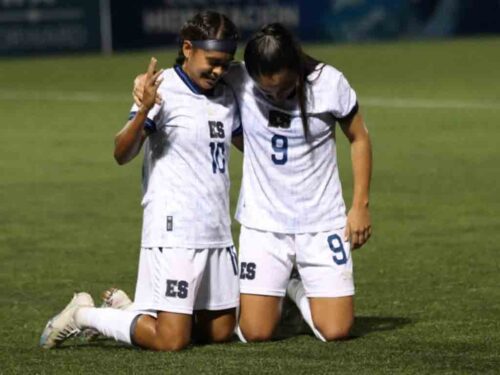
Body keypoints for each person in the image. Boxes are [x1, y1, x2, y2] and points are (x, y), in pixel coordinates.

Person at [134, 22, 373, 343]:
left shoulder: (328, 83)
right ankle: (285, 284)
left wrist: (360, 205)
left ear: (296, 67)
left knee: (336, 331)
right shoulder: (237, 77)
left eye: (285, 88)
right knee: (254, 333)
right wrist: (143, 82)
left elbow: (359, 138)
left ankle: (294, 286)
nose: (275, 95)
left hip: (322, 220)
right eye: (266, 91)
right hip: (264, 224)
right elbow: (190, 67)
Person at [39, 11, 242, 352]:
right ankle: (84, 314)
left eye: (226, 63)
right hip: (174, 229)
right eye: (213, 62)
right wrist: (145, 108)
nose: (219, 70)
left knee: (221, 332)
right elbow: (122, 151)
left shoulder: (226, 92)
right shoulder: (162, 89)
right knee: (171, 339)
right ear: (188, 48)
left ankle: (129, 312)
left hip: (216, 229)